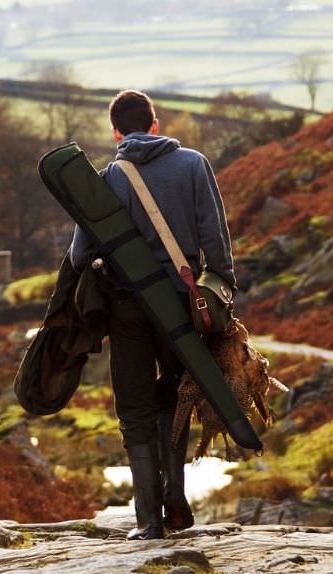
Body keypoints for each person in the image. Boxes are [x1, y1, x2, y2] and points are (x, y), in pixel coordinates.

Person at [69, 90, 236, 540]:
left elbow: (81, 252)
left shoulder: (107, 179)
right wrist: (221, 292)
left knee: (136, 409)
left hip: (128, 308)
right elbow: (215, 238)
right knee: (176, 400)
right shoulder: (195, 164)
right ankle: (176, 500)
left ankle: (148, 521)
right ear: (156, 125)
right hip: (182, 304)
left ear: (116, 133)